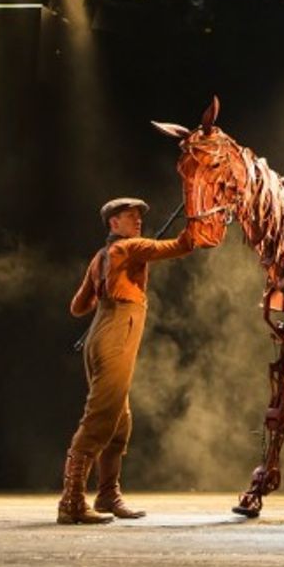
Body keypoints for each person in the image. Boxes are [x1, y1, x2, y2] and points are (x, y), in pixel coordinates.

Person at [59, 198, 196, 524]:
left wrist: (107, 286)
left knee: (120, 422)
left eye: (138, 217)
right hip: (116, 335)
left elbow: (78, 307)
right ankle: (71, 502)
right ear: (113, 224)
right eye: (129, 217)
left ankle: (107, 495)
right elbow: (183, 245)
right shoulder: (130, 247)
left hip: (99, 336)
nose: (137, 221)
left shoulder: (101, 257)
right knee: (100, 419)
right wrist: (200, 218)